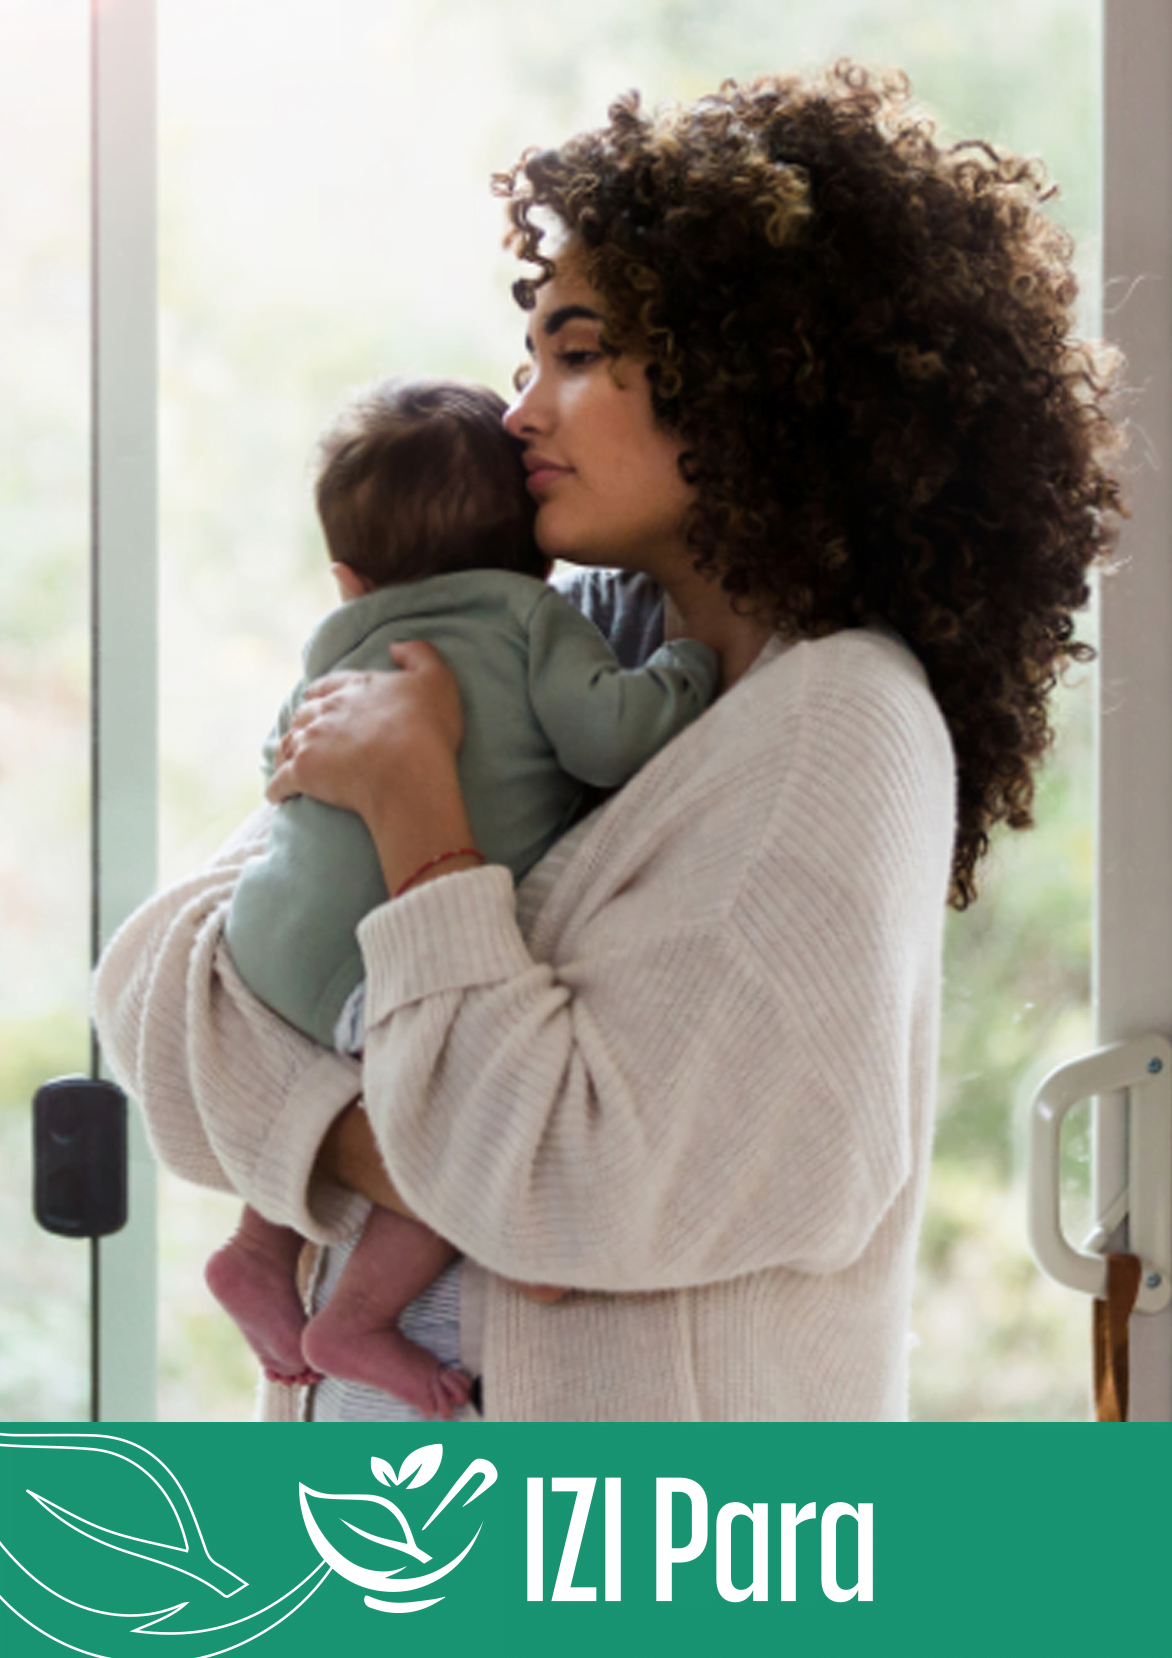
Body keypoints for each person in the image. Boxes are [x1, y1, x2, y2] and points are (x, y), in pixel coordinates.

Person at [93, 63, 1124, 1421]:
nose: (519, 411)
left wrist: (421, 823)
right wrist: (406, 1157)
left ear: (758, 382)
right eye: (530, 359)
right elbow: (163, 997)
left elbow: (567, 1184)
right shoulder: (551, 630)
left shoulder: (838, 730)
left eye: (577, 355)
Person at [199, 376, 717, 1418]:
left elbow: (280, 762)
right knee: (441, 1119)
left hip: (263, 936)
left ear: (348, 577)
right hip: (382, 955)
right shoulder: (532, 617)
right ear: (537, 552)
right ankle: (358, 1318)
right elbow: (606, 736)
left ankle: (259, 1242)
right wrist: (685, 667)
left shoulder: (337, 638)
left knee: (322, 1058)